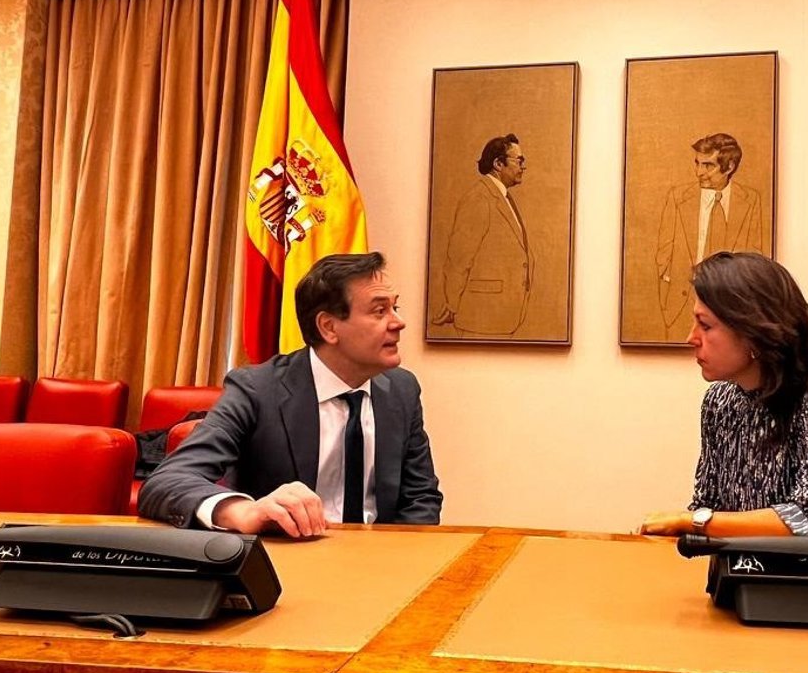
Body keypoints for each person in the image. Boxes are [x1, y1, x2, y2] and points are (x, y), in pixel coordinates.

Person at [139, 251, 442, 537]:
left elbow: (421, 497)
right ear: (328, 327)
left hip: (379, 557)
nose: (398, 322)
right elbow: (167, 482)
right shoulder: (258, 389)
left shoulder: (401, 390)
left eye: (394, 308)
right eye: (379, 311)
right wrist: (243, 511)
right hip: (286, 555)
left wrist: (399, 554)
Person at [639, 252, 808, 539]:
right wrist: (675, 529)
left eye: (706, 325)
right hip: (740, 565)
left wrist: (689, 521)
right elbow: (708, 505)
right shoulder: (720, 401)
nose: (692, 338)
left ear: (753, 333)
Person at [656, 133, 764, 341]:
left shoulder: (750, 201)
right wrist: (667, 289)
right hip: (680, 307)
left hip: (731, 311)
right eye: (697, 163)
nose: (699, 172)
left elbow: (755, 256)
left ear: (729, 166)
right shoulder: (677, 198)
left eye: (708, 165)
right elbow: (663, 253)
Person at [431, 133, 533, 336]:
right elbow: (458, 259)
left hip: (500, 317)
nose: (523, 167)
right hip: (480, 318)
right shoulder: (479, 198)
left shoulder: (502, 197)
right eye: (519, 160)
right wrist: (452, 304)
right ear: (498, 164)